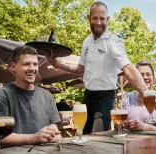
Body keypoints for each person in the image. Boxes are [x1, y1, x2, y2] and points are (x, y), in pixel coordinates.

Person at [44, 1, 148, 134]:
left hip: (105, 97)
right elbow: (80, 69)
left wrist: (146, 92)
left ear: (107, 19)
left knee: (97, 136)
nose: (99, 22)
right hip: (88, 95)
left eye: (102, 18)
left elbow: (127, 68)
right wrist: (56, 64)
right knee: (84, 134)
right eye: (95, 18)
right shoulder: (86, 42)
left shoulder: (113, 41)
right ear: (89, 18)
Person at [0, 46, 61, 146]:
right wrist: (34, 138)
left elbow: (54, 126)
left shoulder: (47, 95)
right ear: (13, 66)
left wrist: (53, 131)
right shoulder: (2, 95)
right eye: (26, 64)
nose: (32, 68)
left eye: (35, 64)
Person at [120, 60, 156, 131]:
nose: (145, 77)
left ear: (153, 78)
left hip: (155, 141)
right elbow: (121, 123)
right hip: (131, 140)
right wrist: (119, 125)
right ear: (136, 78)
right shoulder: (127, 97)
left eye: (148, 74)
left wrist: (146, 127)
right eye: (141, 75)